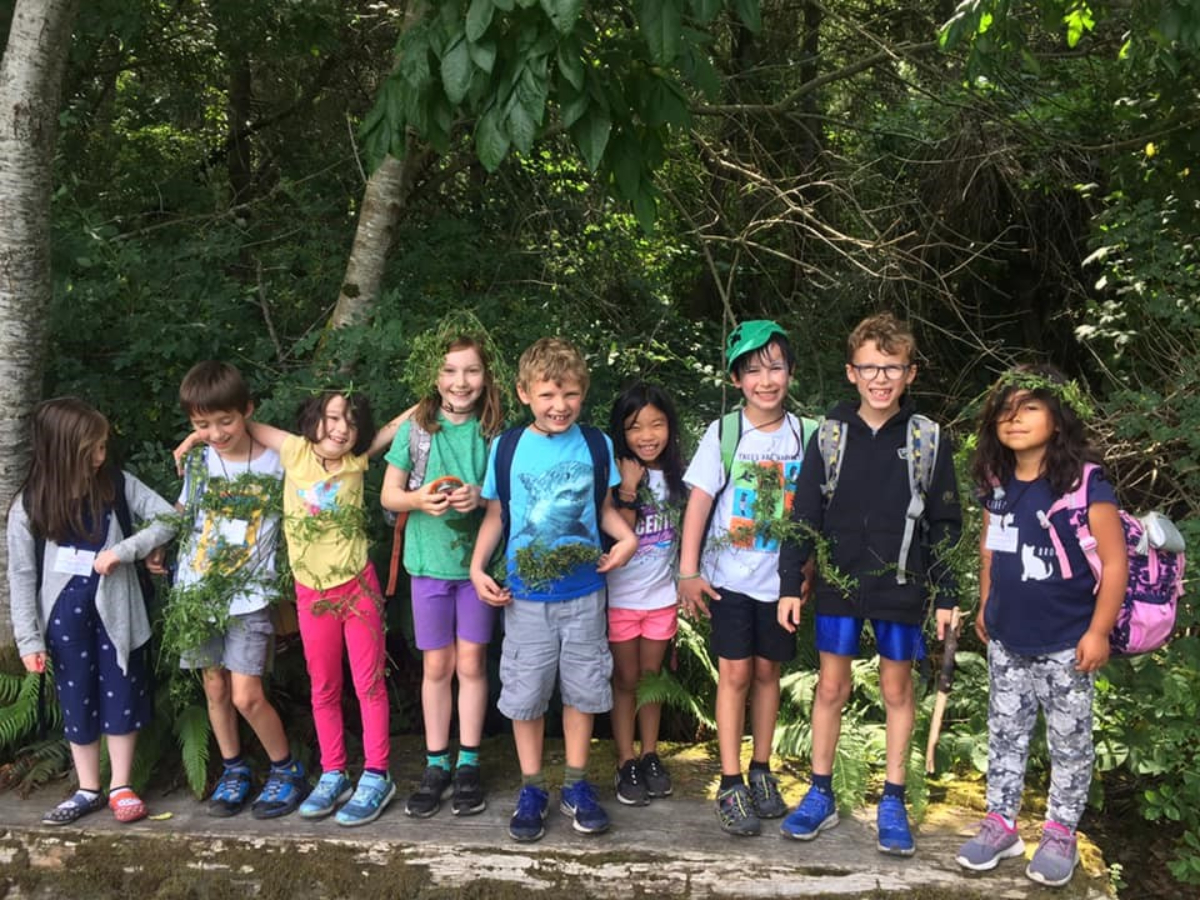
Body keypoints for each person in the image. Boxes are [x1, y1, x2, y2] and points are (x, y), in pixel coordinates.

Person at [777, 311, 962, 856]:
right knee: (830, 688)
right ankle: (820, 792)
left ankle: (894, 799)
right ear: (851, 373)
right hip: (838, 584)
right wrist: (792, 581)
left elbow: (945, 524)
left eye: (892, 368)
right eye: (870, 368)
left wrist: (947, 592)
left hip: (902, 587)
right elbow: (804, 512)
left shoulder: (927, 438)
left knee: (897, 690)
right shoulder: (830, 436)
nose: (881, 379)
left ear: (911, 373)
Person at [182, 389, 403, 826]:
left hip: (358, 588)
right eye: (332, 418)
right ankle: (334, 772)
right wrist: (194, 441)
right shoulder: (294, 451)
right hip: (311, 594)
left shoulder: (356, 462)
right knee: (323, 687)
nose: (341, 428)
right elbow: (236, 424)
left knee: (368, 685)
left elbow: (396, 427)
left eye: (351, 422)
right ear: (312, 420)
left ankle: (377, 774)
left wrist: (435, 395)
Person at [955, 364, 1126, 888]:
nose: (1015, 418)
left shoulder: (1084, 485)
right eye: (1006, 410)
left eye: (1029, 407)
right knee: (1005, 733)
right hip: (1007, 638)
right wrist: (985, 603)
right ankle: (1001, 822)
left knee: (1070, 742)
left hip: (1067, 642)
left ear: (1058, 418)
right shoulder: (996, 482)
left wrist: (1098, 631)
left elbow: (1115, 564)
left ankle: (1059, 832)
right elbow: (990, 546)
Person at [469, 337, 637, 843]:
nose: (558, 406)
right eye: (546, 395)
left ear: (582, 394)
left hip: (586, 593)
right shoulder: (508, 448)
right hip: (525, 598)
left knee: (583, 693)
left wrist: (625, 536)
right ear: (524, 394)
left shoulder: (595, 445)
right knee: (526, 697)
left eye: (569, 395)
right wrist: (478, 568)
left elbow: (603, 508)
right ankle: (533, 787)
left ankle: (577, 785)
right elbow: (499, 514)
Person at [8, 398, 175, 825]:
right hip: (64, 622)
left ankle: (121, 784)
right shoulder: (30, 504)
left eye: (103, 448)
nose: (102, 457)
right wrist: (29, 639)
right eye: (92, 451)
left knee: (123, 691)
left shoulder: (116, 484)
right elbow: (23, 576)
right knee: (76, 698)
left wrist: (125, 551)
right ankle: (88, 787)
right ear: (65, 452)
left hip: (118, 615)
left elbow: (168, 517)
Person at [678, 320, 811, 837]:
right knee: (734, 675)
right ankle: (729, 779)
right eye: (752, 370)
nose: (766, 379)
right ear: (736, 380)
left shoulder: (806, 434)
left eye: (775, 366)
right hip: (728, 579)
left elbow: (813, 510)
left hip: (780, 583)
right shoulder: (725, 433)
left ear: (791, 372)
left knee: (767, 674)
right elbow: (700, 502)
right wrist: (688, 572)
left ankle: (762, 769)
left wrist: (808, 570)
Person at [172, 361, 306, 819]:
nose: (215, 432)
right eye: (201, 424)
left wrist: (238, 427)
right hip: (197, 594)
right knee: (215, 687)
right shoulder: (197, 458)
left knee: (248, 693)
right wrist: (158, 548)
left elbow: (304, 448)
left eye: (226, 420)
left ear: (247, 410)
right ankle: (234, 770)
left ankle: (286, 770)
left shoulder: (275, 460)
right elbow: (184, 513)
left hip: (251, 594)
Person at [380, 330, 503, 818]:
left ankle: (469, 761)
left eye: (471, 370)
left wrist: (480, 496)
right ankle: (436, 762)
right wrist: (418, 499)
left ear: (487, 376)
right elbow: (390, 494)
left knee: (472, 663)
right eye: (450, 370)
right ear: (434, 376)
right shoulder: (417, 430)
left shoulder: (495, 433)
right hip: (427, 566)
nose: (461, 381)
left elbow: (507, 497)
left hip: (476, 569)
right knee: (437, 666)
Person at [606, 382, 687, 806]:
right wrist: (629, 488)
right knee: (625, 681)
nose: (648, 435)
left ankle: (651, 754)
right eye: (636, 426)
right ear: (622, 431)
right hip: (620, 599)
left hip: (659, 600)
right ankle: (625, 760)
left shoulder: (679, 477)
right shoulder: (615, 471)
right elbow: (619, 531)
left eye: (657, 424)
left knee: (652, 683)